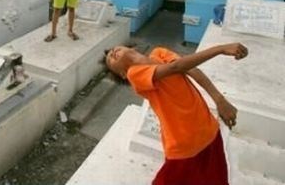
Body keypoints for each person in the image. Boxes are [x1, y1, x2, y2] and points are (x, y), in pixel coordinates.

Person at [104, 43, 248, 185]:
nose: (111, 53)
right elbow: (176, 67)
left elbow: (191, 69)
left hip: (208, 130)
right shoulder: (135, 74)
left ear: (132, 47)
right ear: (123, 75)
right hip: (183, 144)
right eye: (110, 60)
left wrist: (219, 99)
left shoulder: (159, 52)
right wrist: (220, 49)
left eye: (112, 49)